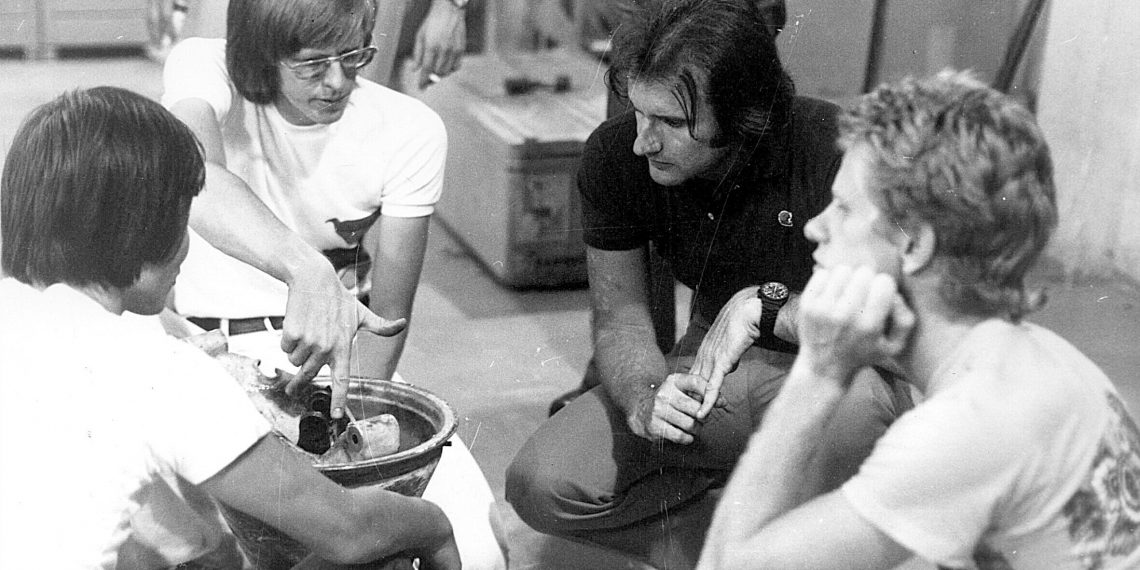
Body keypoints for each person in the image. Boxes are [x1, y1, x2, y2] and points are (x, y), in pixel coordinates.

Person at [505, 1, 910, 567]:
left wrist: (764, 308)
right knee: (541, 483)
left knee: (854, 415)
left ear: (742, 116)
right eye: (640, 113)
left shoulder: (831, 150)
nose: (644, 142)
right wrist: (646, 396)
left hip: (830, 362)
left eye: (671, 123)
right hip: (712, 364)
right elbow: (621, 318)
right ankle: (729, 549)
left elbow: (897, 329)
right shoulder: (616, 157)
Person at [695, 70, 1140, 570]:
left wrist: (818, 372)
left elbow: (722, 564)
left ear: (914, 243)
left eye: (843, 208)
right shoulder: (1039, 359)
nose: (816, 227)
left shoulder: (964, 428)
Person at [0, 86, 459, 569]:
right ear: (141, 233)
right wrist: (434, 526)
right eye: (181, 222)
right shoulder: (160, 369)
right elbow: (349, 532)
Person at [162, 1, 506, 567]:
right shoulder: (204, 67)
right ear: (262, 54)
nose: (338, 81)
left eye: (354, 56)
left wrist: (346, 434)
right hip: (208, 351)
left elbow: (388, 319)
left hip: (332, 359)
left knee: (480, 546)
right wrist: (308, 269)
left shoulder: (409, 128)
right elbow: (199, 180)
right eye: (312, 64)